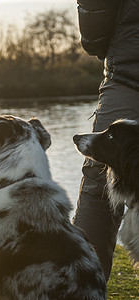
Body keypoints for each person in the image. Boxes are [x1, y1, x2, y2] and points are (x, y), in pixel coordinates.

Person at [73, 0, 139, 282]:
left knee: (99, 185)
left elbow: (95, 35)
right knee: (102, 173)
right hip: (126, 73)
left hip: (127, 73)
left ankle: (78, 287)